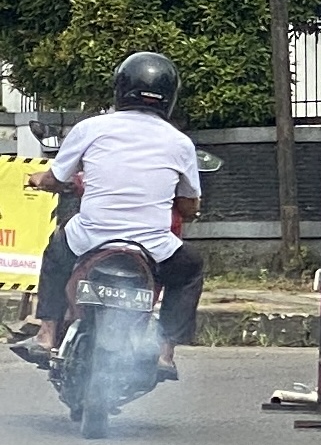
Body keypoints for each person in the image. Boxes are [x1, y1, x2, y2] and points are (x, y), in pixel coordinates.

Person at [13, 53, 205, 377]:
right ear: (169, 97)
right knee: (190, 269)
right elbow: (189, 205)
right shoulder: (180, 143)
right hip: (152, 245)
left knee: (57, 251)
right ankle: (165, 353)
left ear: (121, 88)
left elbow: (56, 178)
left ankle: (46, 335)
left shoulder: (91, 128)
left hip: (92, 236)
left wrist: (38, 180)